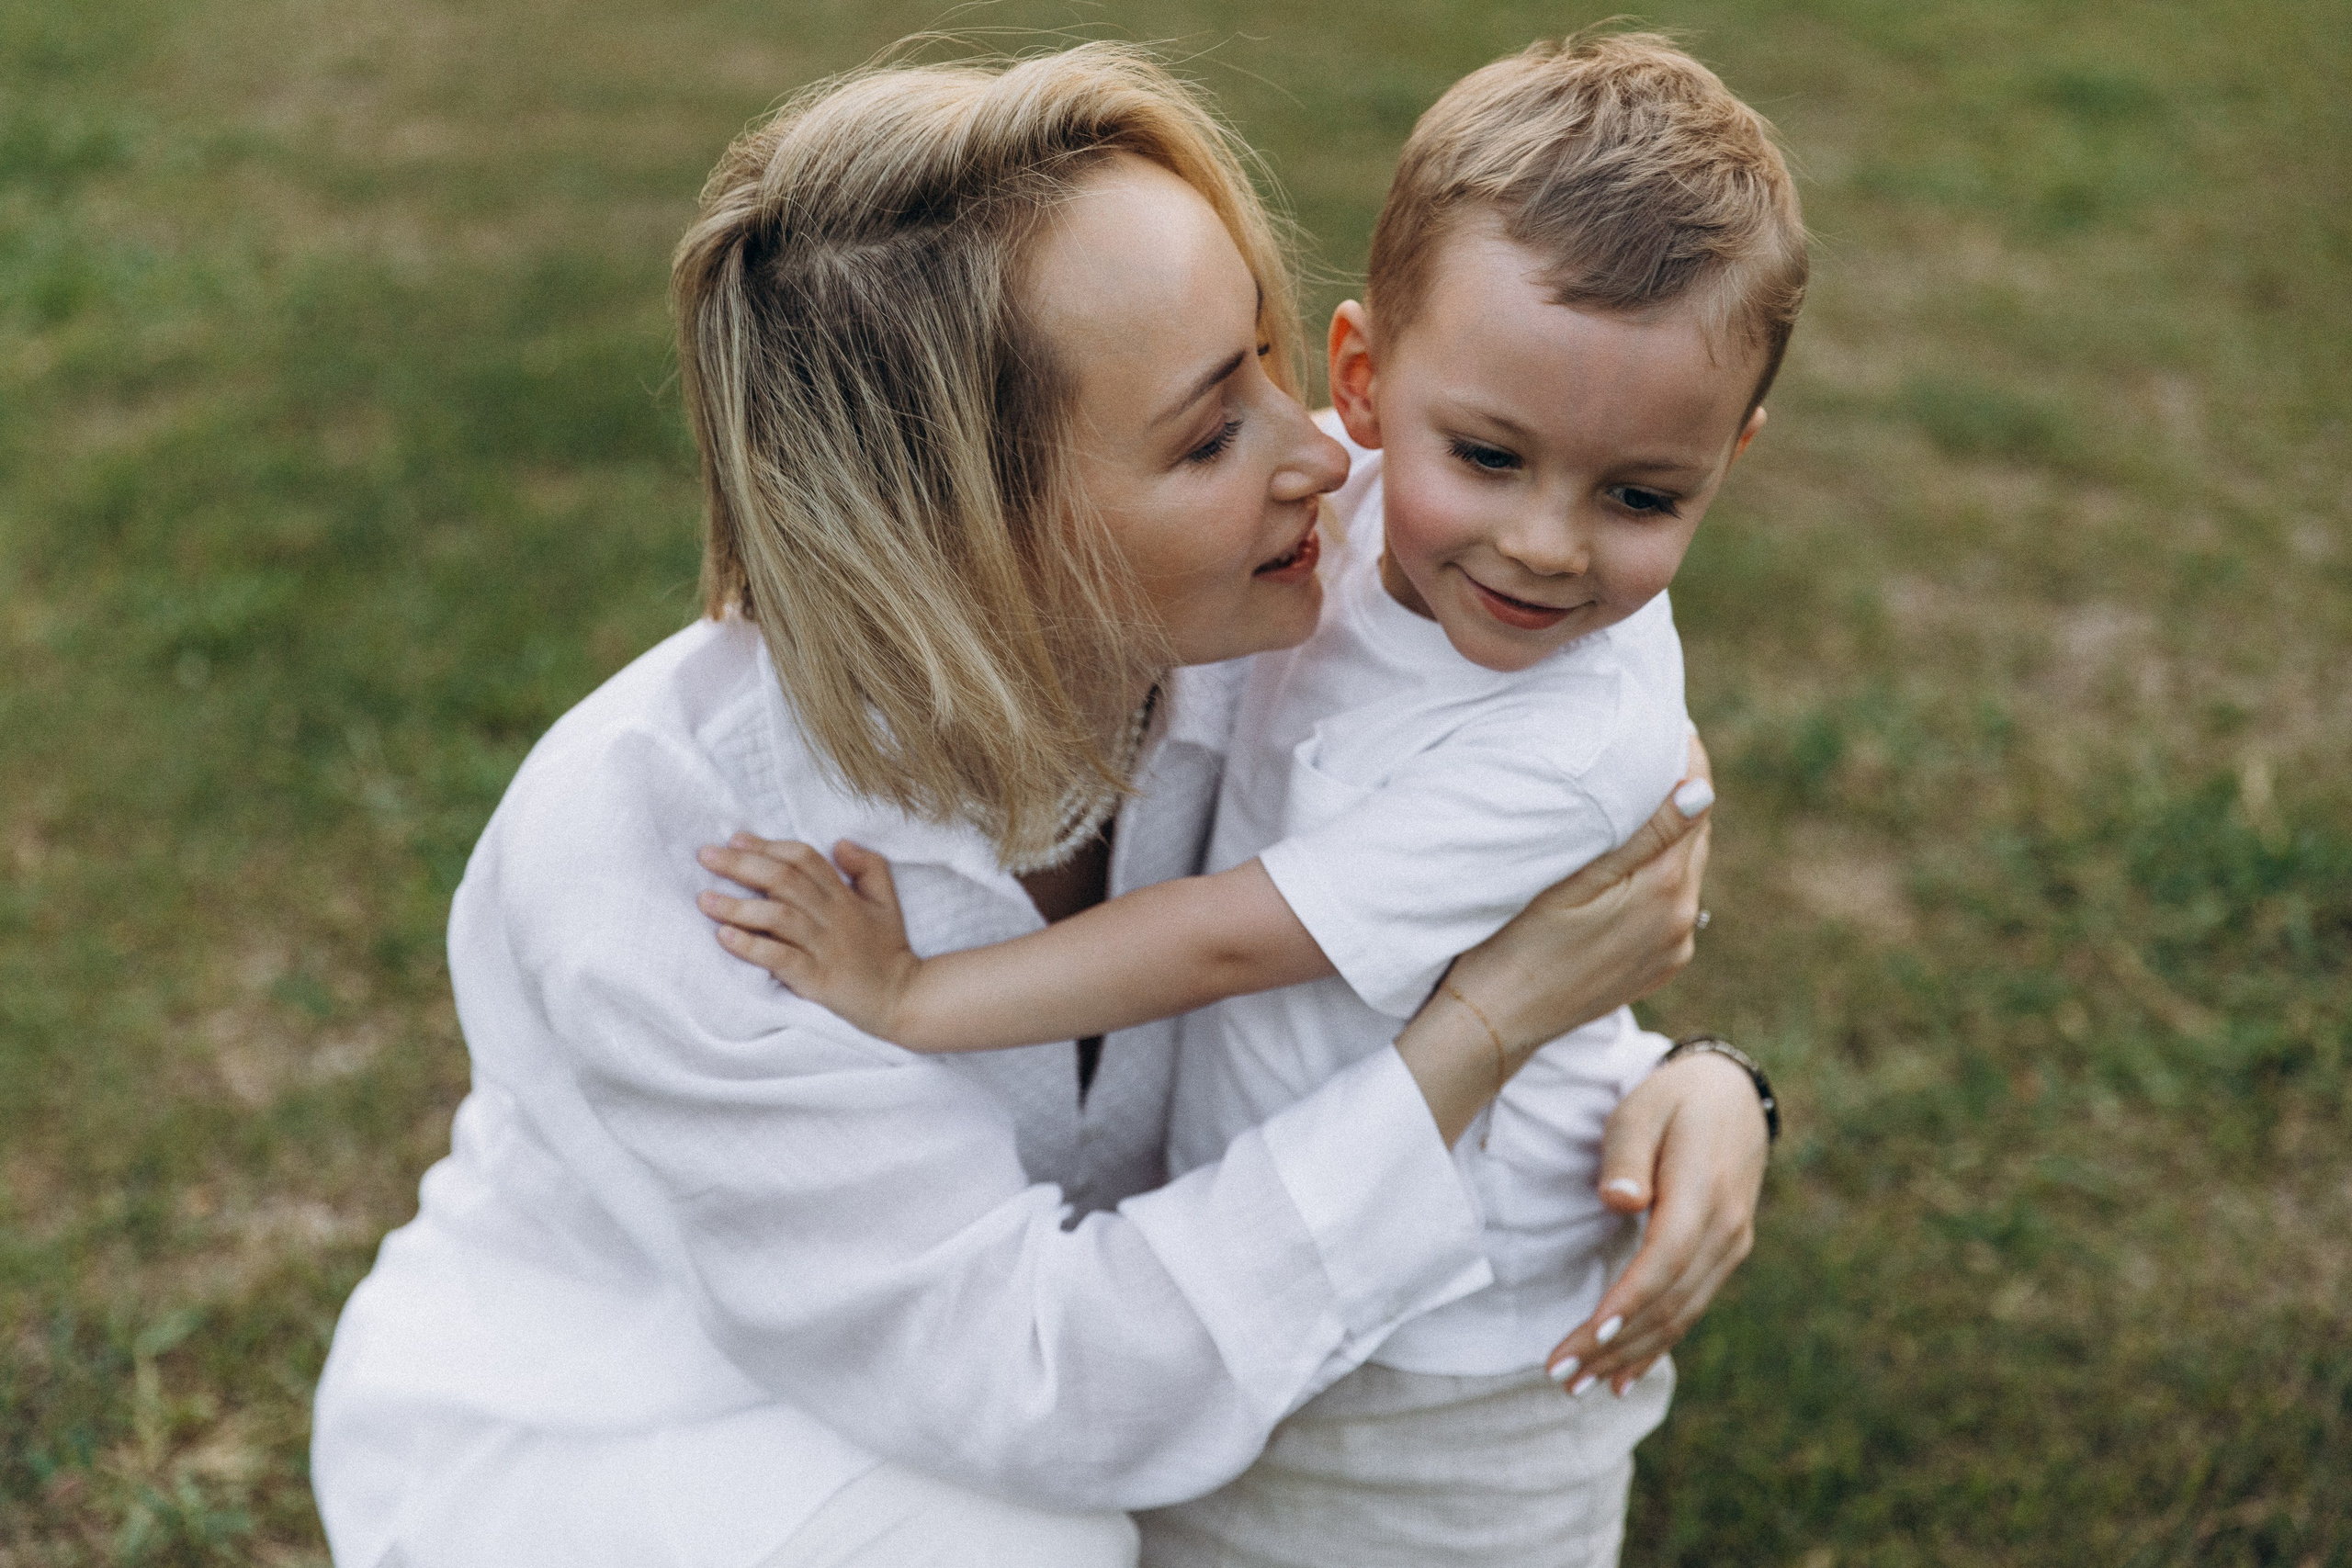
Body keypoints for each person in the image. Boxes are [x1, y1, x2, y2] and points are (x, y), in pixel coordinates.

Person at [310, 43, 1767, 1568]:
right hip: (636, 1428)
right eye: (1211, 434)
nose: (1324, 455)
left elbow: (1500, 844)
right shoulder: (663, 852)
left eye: (1272, 362)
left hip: (1057, 1407)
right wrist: (1483, 1032)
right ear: (956, 535)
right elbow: (1050, 1388)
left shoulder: (1271, 609)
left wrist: (1685, 1077)